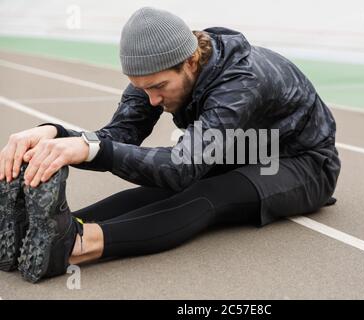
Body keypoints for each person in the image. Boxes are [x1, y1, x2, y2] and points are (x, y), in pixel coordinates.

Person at [0, 7, 340, 283]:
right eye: (141, 88)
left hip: (303, 162)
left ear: (190, 62)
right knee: (158, 184)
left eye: (159, 87)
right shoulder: (154, 69)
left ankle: (77, 246)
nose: (151, 99)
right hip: (244, 147)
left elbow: (181, 167)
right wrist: (55, 134)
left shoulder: (241, 82)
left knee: (209, 193)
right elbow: (119, 136)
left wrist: (90, 149)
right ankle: (42, 234)